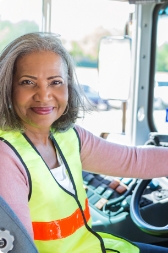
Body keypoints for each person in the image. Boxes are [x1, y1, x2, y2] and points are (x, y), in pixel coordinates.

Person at [0, 32, 168, 253]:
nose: (43, 95)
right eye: (28, 82)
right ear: (8, 88)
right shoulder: (6, 156)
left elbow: (134, 161)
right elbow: (20, 248)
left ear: (68, 87)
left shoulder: (69, 136)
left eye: (55, 82)